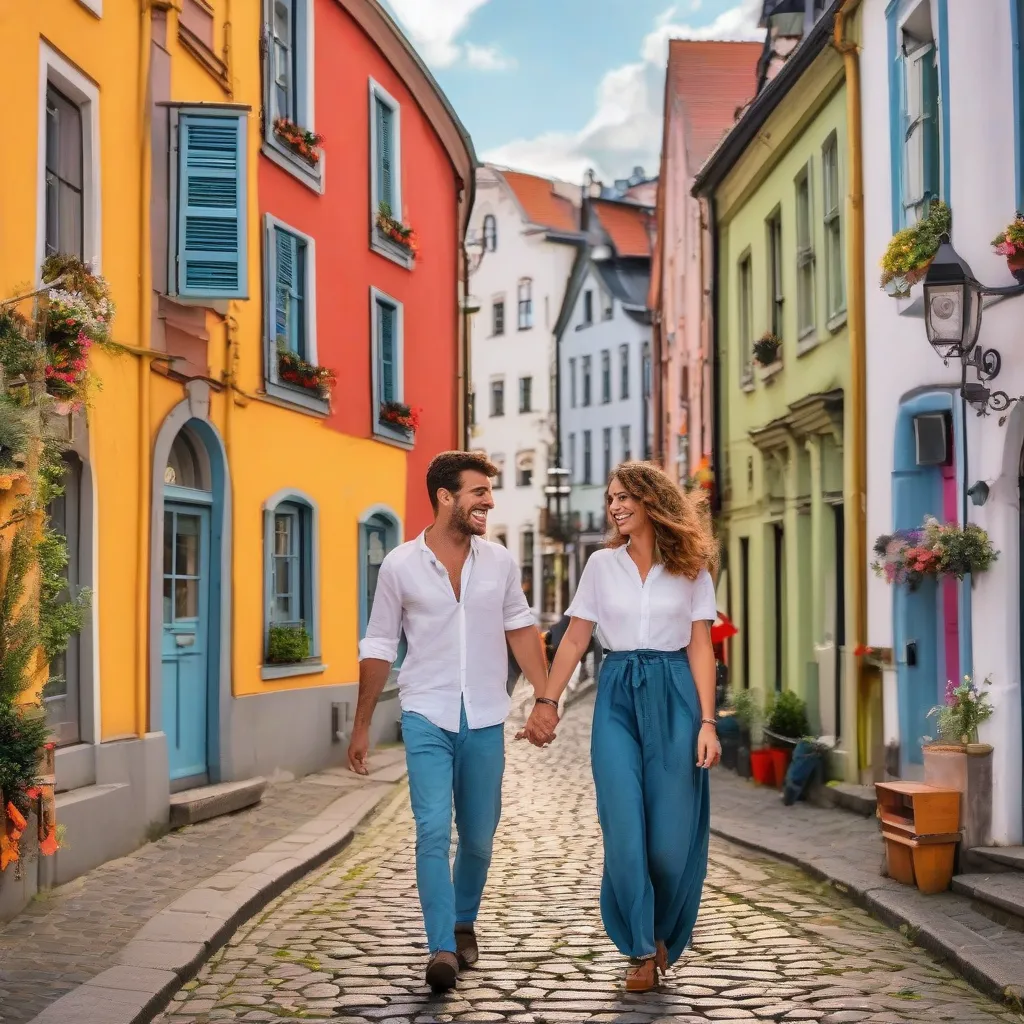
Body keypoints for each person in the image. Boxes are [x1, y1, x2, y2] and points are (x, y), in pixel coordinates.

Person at [350, 451, 551, 992]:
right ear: (445, 497)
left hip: (485, 715)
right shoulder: (400, 565)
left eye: (489, 491)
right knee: (433, 830)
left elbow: (521, 631)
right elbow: (379, 643)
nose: (488, 500)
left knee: (480, 838)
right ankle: (441, 946)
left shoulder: (501, 563)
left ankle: (464, 920)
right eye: (479, 491)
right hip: (426, 715)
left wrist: (546, 699)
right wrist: (362, 723)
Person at [520, 461, 721, 992]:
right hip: (616, 693)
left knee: (671, 841)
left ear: (653, 501)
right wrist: (547, 700)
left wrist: (708, 721)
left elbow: (701, 645)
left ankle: (659, 934)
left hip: (676, 691)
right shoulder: (600, 566)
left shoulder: (692, 567)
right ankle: (638, 948)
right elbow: (574, 637)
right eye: (612, 498)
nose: (615, 506)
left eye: (626, 496)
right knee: (624, 828)